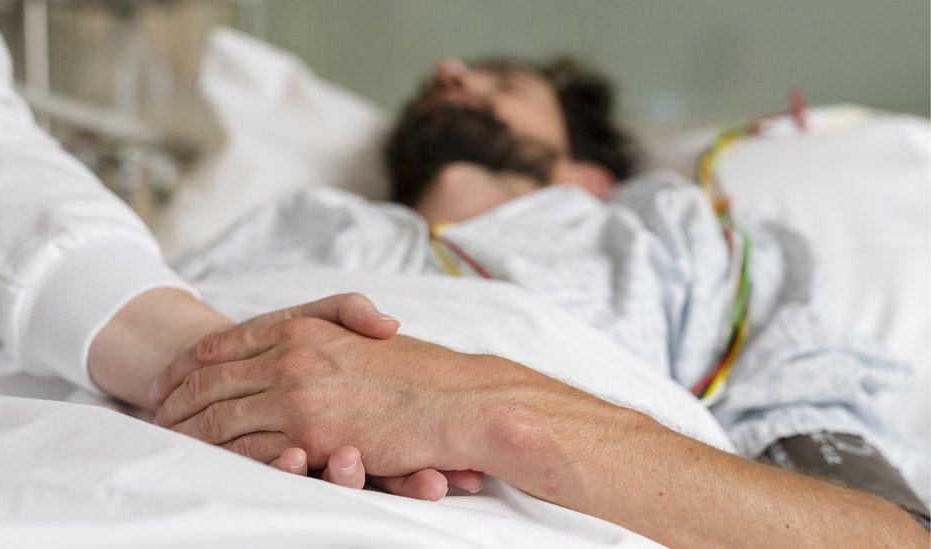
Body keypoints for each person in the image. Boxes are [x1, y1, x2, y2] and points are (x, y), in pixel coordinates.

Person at [149, 55, 931, 545]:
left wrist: (487, 412)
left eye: (505, 84)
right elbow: (142, 359)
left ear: (591, 175)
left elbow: (878, 535)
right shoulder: (291, 224)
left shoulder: (680, 242)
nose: (451, 72)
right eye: (445, 81)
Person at [0, 0, 479, 500]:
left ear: (567, 174)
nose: (451, 69)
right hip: (153, 376)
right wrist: (231, 369)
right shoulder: (306, 215)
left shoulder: (556, 264)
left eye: (509, 84)